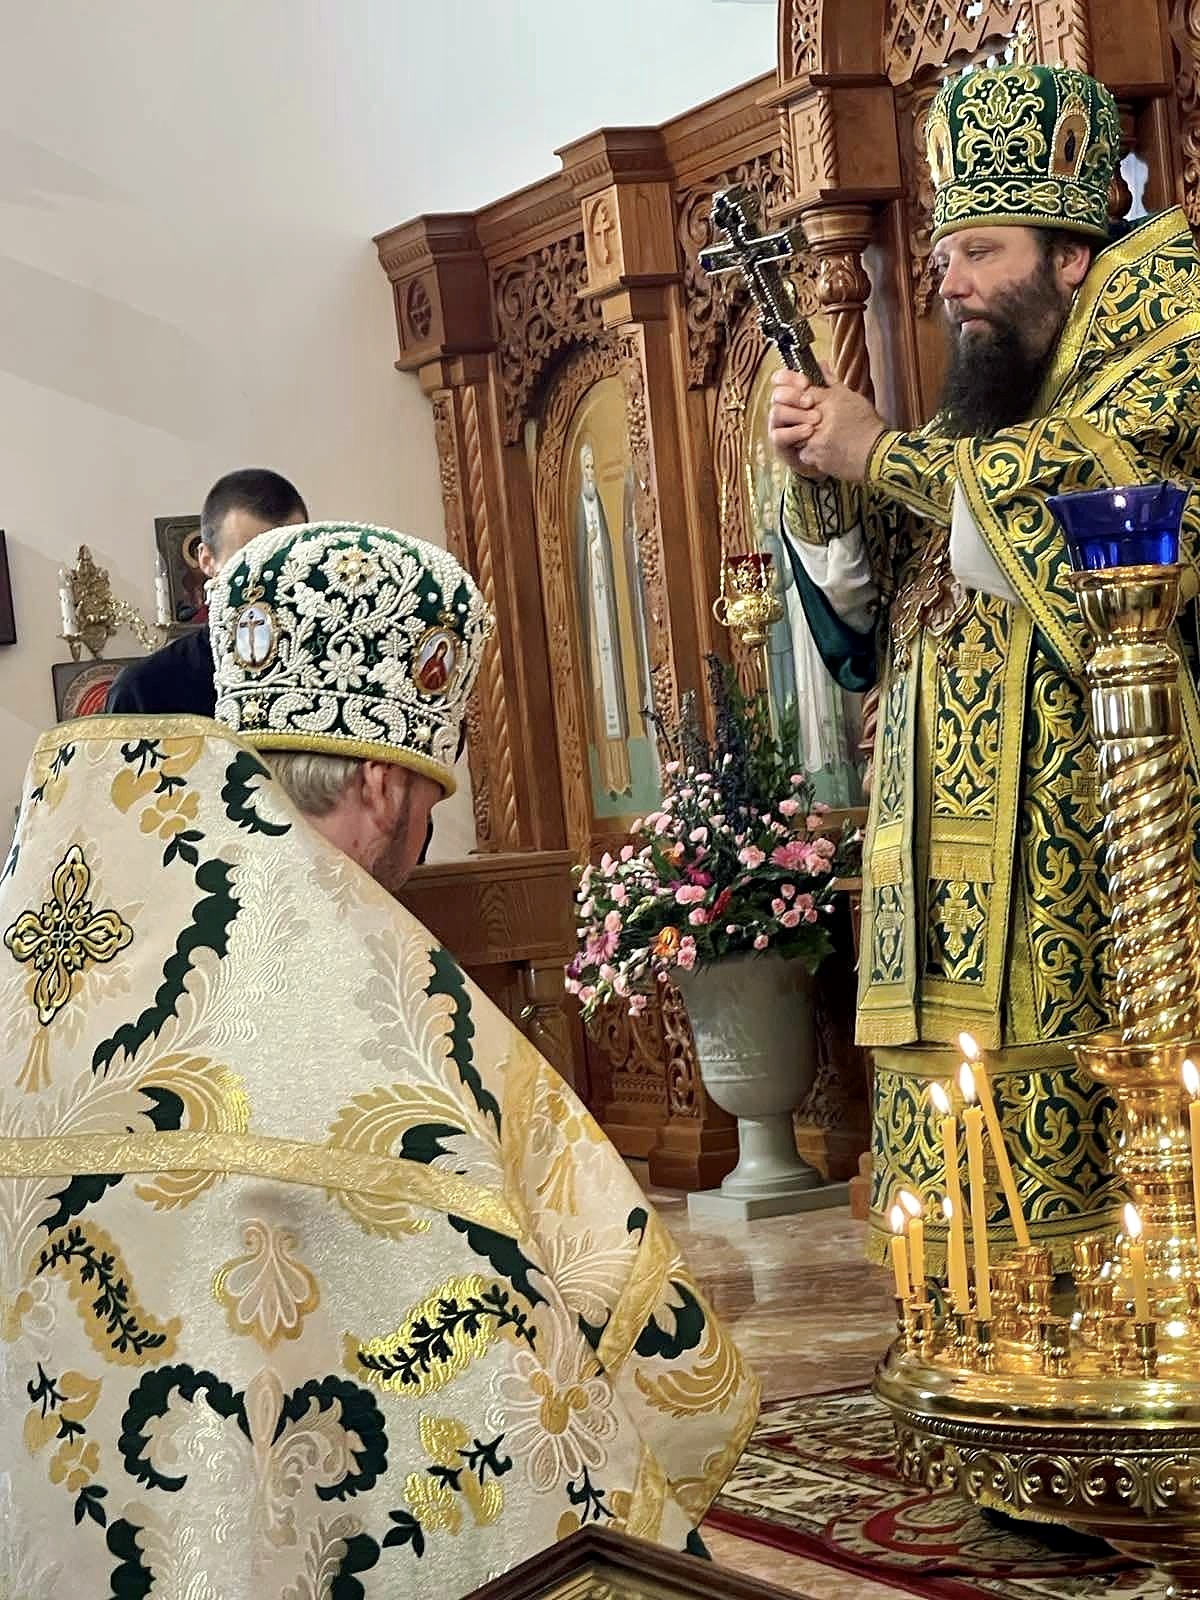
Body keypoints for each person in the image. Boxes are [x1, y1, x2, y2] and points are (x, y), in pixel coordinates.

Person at [0, 520, 758, 1598]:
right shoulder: (389, 1018)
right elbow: (597, 1346)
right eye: (431, 806)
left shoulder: (69, 960)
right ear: (383, 786)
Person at [767, 59, 1200, 1271]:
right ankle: (958, 1331)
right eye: (944, 253)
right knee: (950, 1216)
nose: (948, 281)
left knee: (1090, 1197)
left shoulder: (1171, 338)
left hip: (1092, 860)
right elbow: (876, 601)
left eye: (981, 252)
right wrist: (824, 483)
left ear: (1071, 255)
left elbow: (1098, 507)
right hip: (930, 874)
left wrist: (883, 455)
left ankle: (1119, 1322)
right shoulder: (982, 395)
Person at [105, 467, 307, 716]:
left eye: (290, 560)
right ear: (207, 560)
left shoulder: (337, 667)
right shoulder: (142, 691)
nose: (273, 579)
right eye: (249, 562)